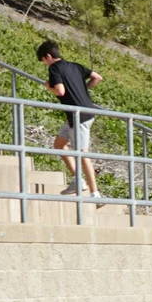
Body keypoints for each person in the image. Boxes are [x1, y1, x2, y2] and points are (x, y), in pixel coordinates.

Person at [36, 40, 104, 197]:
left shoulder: (54, 68)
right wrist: (82, 90)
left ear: (48, 56)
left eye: (44, 61)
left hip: (79, 116)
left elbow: (60, 91)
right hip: (82, 113)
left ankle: (95, 193)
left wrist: (48, 87)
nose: (45, 64)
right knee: (59, 144)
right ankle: (78, 181)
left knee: (82, 154)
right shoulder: (75, 66)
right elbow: (97, 77)